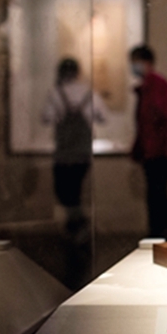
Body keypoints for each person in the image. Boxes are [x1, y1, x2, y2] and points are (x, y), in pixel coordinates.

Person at [41, 57, 107, 234]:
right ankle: (78, 225)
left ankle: (76, 225)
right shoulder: (89, 94)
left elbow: (46, 118)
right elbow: (103, 117)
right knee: (76, 191)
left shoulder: (55, 93)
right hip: (83, 153)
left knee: (65, 193)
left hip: (64, 154)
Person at [129, 45, 167, 239]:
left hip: (159, 151)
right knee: (155, 195)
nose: (134, 66)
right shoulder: (146, 88)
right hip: (151, 151)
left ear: (147, 62)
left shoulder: (157, 85)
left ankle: (163, 235)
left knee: (158, 195)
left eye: (136, 62)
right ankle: (158, 234)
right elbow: (143, 124)